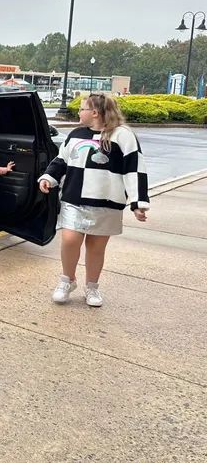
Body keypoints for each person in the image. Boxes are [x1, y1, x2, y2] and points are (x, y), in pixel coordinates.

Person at [39, 93, 149, 307]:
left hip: (107, 202)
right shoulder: (76, 134)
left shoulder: (123, 136)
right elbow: (62, 159)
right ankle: (67, 280)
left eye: (82, 109)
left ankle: (92, 286)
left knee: (96, 247)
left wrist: (138, 202)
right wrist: (49, 177)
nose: (79, 112)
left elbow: (135, 169)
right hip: (74, 198)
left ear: (95, 113)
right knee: (70, 240)